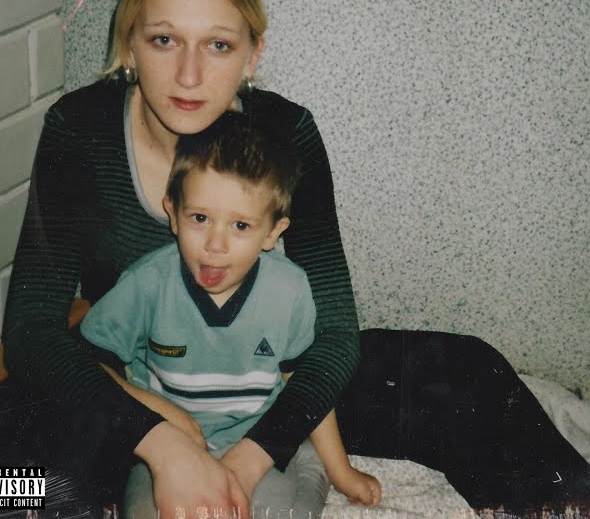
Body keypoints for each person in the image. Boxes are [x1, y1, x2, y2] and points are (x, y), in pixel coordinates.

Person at [0, 0, 590, 519]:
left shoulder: (288, 132)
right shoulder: (78, 130)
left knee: (468, 371)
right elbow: (30, 331)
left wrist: (250, 459)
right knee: (2, 484)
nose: (189, 74)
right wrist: (161, 443)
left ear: (253, 55)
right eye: (164, 40)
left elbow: (332, 336)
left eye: (218, 45)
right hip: (140, 389)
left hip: (259, 384)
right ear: (130, 43)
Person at [78, 112, 381, 518]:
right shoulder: (146, 283)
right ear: (173, 213)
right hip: (169, 450)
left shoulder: (289, 289)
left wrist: (341, 470)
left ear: (272, 233)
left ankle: (311, 465)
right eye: (200, 218)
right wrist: (162, 415)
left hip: (264, 443)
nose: (215, 244)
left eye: (240, 225)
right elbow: (85, 363)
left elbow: (307, 383)